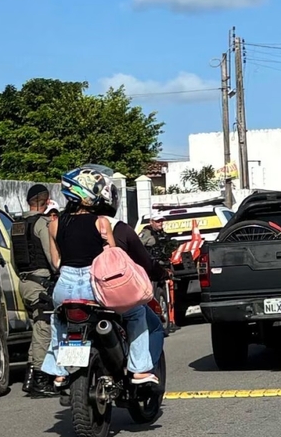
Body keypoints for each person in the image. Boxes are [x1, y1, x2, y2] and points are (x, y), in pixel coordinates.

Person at [39, 166, 167, 389]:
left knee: (58, 321)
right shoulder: (101, 222)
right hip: (93, 287)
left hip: (64, 287)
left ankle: (58, 372)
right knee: (136, 314)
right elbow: (112, 259)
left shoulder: (54, 224)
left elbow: (56, 263)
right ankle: (139, 370)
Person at [11, 182, 60, 396]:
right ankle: (40, 377)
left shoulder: (17, 225)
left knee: (36, 327)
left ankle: (30, 377)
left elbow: (13, 260)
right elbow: (53, 258)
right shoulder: (43, 224)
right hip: (41, 282)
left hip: (24, 282)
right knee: (44, 328)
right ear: (47, 201)